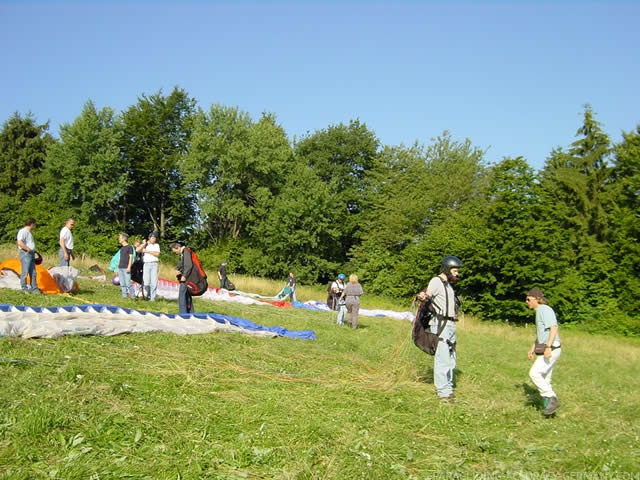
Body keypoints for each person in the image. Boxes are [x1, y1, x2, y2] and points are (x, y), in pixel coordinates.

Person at [417, 256, 462, 402]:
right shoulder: (436, 281)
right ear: (447, 269)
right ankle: (443, 393)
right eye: (455, 271)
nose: (457, 274)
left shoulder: (449, 285)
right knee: (442, 359)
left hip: (450, 325)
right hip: (441, 324)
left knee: (450, 359)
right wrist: (423, 296)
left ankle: (448, 387)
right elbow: (427, 295)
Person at [526, 288, 562, 416]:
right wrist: (533, 348)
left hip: (551, 348)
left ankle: (551, 399)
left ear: (537, 299)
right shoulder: (539, 311)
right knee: (545, 380)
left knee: (534, 373)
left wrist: (548, 347)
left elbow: (553, 328)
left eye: (528, 299)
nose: (527, 302)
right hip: (549, 347)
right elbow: (542, 334)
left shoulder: (544, 310)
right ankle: (549, 410)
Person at [16, 218, 41, 293]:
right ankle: (24, 289)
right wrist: (28, 249)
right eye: (34, 224)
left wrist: (33, 250)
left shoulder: (28, 232)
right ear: (32, 224)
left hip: (31, 253)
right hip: (25, 253)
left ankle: (34, 289)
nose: (35, 226)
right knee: (25, 272)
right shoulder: (23, 231)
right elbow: (19, 242)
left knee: (33, 272)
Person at [171, 242, 194, 314]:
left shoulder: (186, 252)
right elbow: (182, 263)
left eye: (175, 251)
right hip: (188, 277)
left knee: (182, 295)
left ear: (177, 248)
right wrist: (177, 269)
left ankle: (183, 313)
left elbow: (188, 265)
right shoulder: (184, 252)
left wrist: (184, 275)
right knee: (187, 295)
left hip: (186, 278)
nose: (176, 253)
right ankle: (191, 312)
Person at [137, 232, 160, 301]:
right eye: (152, 238)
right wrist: (144, 244)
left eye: (155, 238)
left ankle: (152, 298)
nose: (154, 239)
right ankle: (148, 294)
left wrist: (147, 251)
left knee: (153, 281)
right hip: (146, 264)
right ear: (149, 238)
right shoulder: (145, 245)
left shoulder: (156, 245)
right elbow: (137, 250)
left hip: (154, 264)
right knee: (146, 282)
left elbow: (157, 254)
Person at [117, 233, 136, 298]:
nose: (119, 239)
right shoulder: (122, 248)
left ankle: (133, 296)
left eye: (120, 238)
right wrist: (117, 267)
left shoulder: (130, 247)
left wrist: (129, 267)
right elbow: (120, 258)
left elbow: (131, 257)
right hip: (120, 267)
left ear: (124, 239)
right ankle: (124, 296)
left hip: (126, 268)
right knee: (122, 283)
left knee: (128, 283)